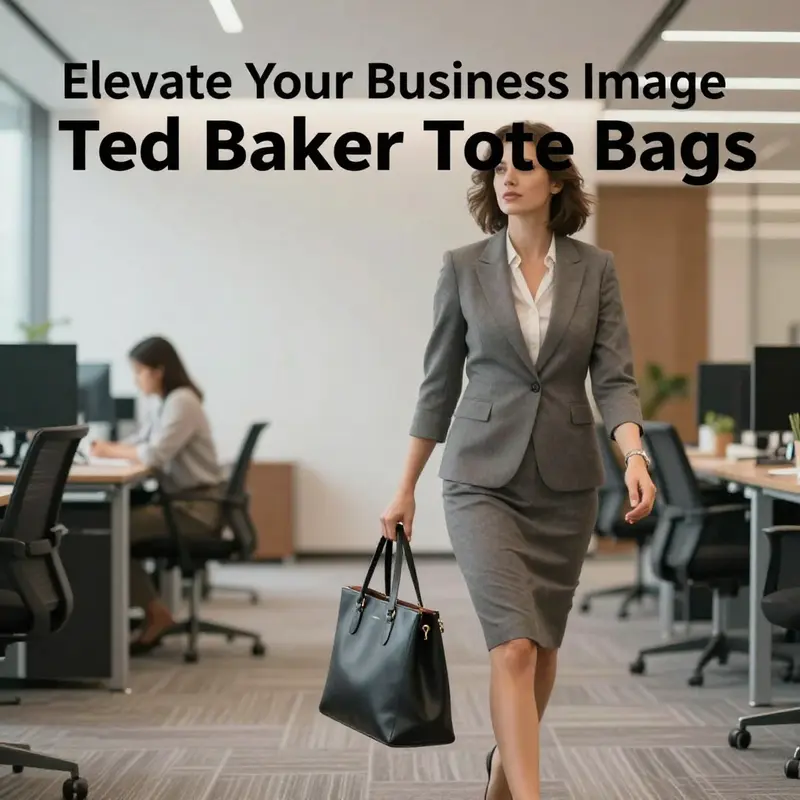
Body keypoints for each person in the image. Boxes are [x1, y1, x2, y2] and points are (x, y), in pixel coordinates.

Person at [380, 121, 656, 800]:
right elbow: (438, 384)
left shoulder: (597, 270)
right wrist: (405, 486)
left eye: (524, 167)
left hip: (566, 480)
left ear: (556, 181)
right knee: (513, 645)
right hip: (480, 479)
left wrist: (634, 454)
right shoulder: (462, 266)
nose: (507, 176)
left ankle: (504, 777)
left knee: (545, 647)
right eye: (498, 167)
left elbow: (614, 378)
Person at [90, 336, 223, 656]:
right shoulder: (164, 402)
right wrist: (107, 450)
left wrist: (109, 449)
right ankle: (147, 609)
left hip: (194, 509)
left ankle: (154, 612)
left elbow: (153, 456)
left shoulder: (182, 401)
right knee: (110, 525)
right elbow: (140, 441)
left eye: (139, 372)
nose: (136, 380)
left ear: (159, 371)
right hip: (182, 502)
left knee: (110, 533)